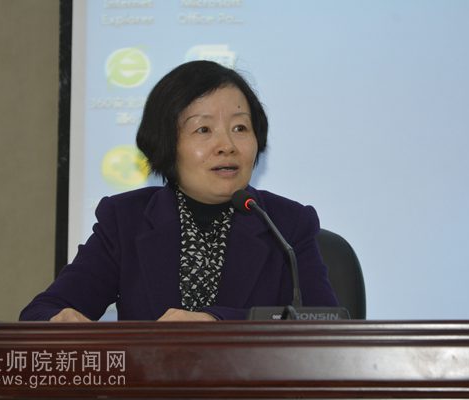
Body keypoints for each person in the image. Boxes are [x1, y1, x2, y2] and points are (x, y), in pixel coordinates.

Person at [20, 60, 338, 322]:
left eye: (240, 128)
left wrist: (218, 322)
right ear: (167, 144)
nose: (227, 145)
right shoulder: (125, 220)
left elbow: (325, 324)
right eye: (203, 129)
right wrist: (58, 319)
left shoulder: (286, 224)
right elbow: (41, 312)